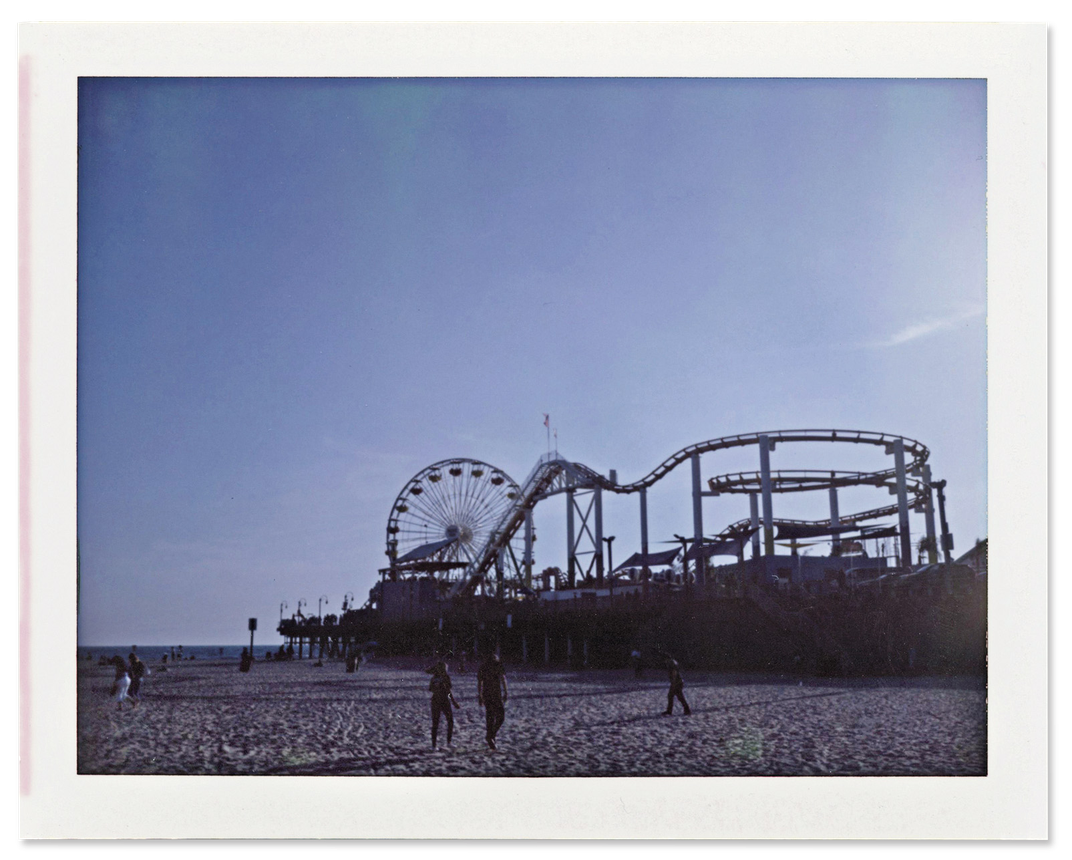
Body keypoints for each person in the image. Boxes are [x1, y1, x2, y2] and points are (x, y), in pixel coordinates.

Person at [425, 658, 461, 749]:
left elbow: (431, 689)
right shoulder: (445, 678)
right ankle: (447, 743)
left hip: (436, 701)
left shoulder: (434, 678)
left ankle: (434, 745)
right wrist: (453, 702)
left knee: (436, 723)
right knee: (449, 721)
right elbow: (448, 692)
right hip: (444, 700)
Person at [477, 653, 508, 750]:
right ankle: (491, 738)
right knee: (498, 717)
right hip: (493, 694)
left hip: (490, 694)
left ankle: (490, 736)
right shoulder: (495, 666)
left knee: (493, 717)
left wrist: (480, 695)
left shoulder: (485, 667)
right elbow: (503, 679)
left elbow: (480, 683)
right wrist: (506, 692)